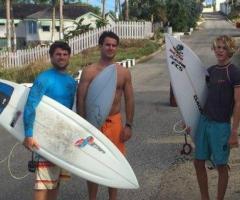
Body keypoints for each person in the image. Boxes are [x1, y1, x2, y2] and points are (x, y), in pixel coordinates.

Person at [77, 31, 134, 200]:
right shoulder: (89, 71)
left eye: (114, 45)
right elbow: (81, 100)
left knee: (115, 163)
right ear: (100, 46)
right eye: (107, 44)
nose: (111, 48)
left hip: (114, 122)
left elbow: (130, 99)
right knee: (92, 163)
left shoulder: (123, 72)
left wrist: (129, 125)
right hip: (93, 124)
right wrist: (83, 126)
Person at [23, 41, 77, 200]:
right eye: (58, 54)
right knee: (43, 182)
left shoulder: (71, 81)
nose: (62, 57)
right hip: (45, 135)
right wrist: (28, 134)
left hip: (62, 136)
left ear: (69, 57)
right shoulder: (44, 78)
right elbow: (30, 106)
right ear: (51, 56)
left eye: (65, 54)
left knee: (56, 180)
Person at [194, 35, 240, 200]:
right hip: (204, 121)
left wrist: (234, 131)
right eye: (217, 47)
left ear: (230, 50)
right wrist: (189, 118)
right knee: (198, 162)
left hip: (221, 126)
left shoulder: (233, 72)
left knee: (221, 166)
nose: (219, 50)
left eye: (223, 47)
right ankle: (204, 198)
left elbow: (238, 103)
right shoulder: (211, 71)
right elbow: (200, 97)